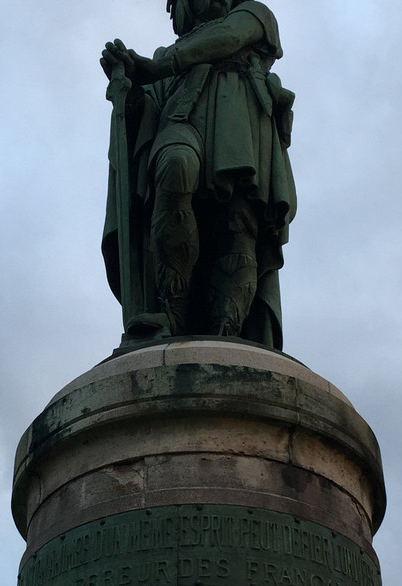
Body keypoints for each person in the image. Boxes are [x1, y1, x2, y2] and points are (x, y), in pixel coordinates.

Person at [101, 0, 296, 350]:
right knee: (174, 164)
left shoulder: (254, 15)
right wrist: (130, 92)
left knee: (238, 222)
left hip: (239, 124)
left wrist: (158, 67)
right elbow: (144, 120)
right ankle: (172, 310)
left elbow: (226, 37)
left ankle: (229, 329)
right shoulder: (167, 55)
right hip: (180, 119)